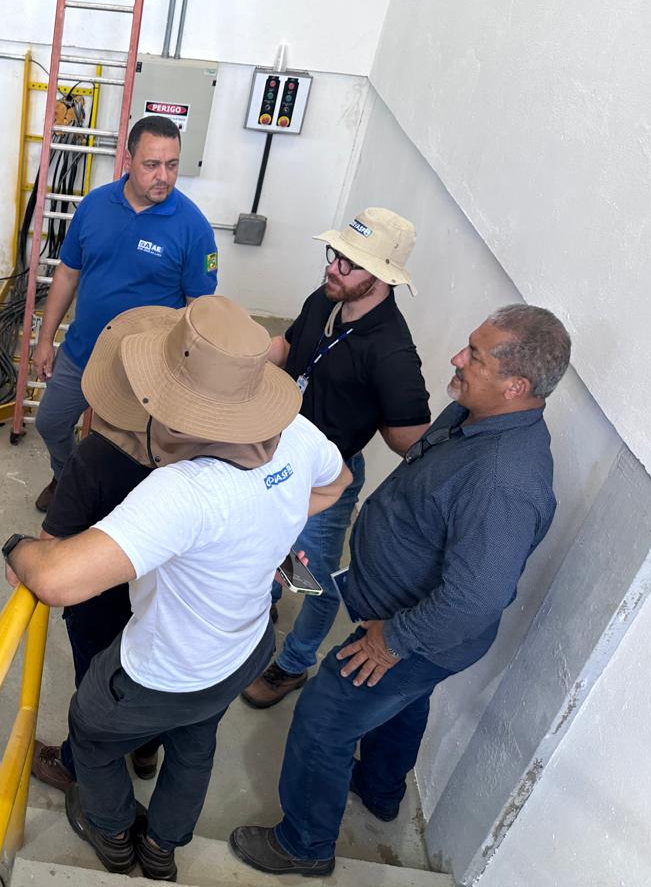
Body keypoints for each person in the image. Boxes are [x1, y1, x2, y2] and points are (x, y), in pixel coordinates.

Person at [4, 296, 350, 880]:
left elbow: (57, 578)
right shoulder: (298, 433)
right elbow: (336, 483)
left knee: (90, 733)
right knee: (195, 741)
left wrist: (17, 548)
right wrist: (266, 534)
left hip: (165, 666)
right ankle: (162, 848)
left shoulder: (184, 491)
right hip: (244, 649)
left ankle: (113, 834)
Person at [229, 304, 571, 878]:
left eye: (474, 357)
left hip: (417, 634)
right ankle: (381, 790)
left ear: (516, 386)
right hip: (401, 619)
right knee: (404, 703)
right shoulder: (472, 414)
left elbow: (477, 598)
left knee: (325, 719)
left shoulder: (503, 479)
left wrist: (393, 641)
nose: (457, 359)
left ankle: (303, 845)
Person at [241, 208, 431, 709]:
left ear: (381, 277)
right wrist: (237, 356)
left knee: (317, 582)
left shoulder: (391, 352)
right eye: (335, 254)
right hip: (275, 452)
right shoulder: (327, 298)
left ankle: (293, 663)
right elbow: (287, 347)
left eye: (349, 263)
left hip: (326, 477)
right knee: (272, 542)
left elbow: (413, 440)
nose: (333, 267)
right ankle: (265, 606)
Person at [28, 307, 183, 795]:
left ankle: (76, 765)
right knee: (151, 683)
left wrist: (20, 554)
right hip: (165, 601)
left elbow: (53, 550)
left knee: (96, 687)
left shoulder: (94, 457)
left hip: (100, 603)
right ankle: (146, 748)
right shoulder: (201, 453)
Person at [29, 114, 218, 513]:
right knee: (50, 423)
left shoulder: (193, 228)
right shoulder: (95, 205)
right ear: (128, 160)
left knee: (123, 452)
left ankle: (104, 505)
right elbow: (67, 273)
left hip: (142, 370)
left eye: (172, 165)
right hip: (82, 351)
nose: (163, 177)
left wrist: (183, 377)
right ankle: (67, 477)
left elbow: (199, 311)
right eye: (152, 164)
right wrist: (45, 339)